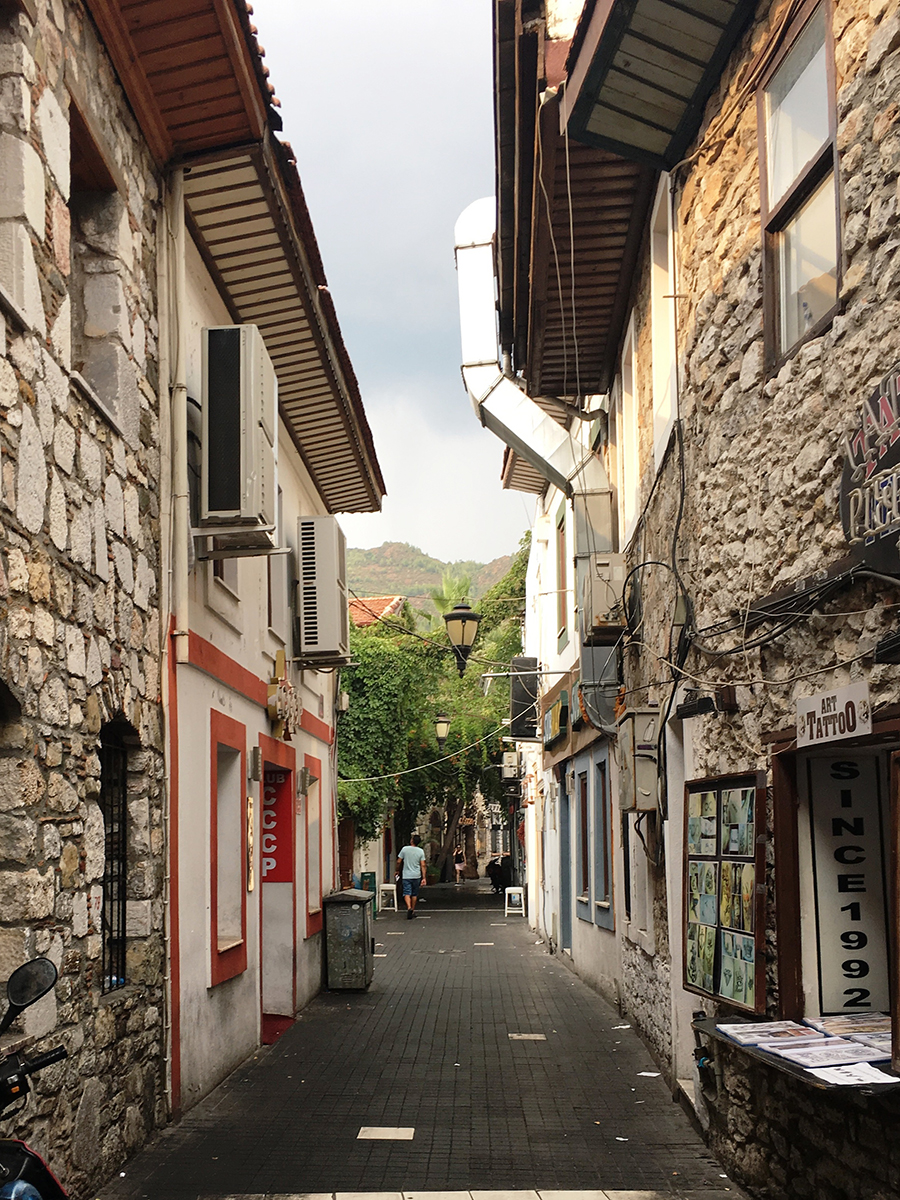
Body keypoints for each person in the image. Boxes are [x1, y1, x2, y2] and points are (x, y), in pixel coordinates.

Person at [396, 833, 426, 919]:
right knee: (414, 894)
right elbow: (423, 865)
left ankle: (409, 907)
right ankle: (412, 910)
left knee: (406, 892)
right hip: (416, 875)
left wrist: (397, 870)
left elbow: (398, 861)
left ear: (412, 841)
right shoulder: (420, 851)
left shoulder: (404, 849)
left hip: (406, 875)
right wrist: (424, 877)